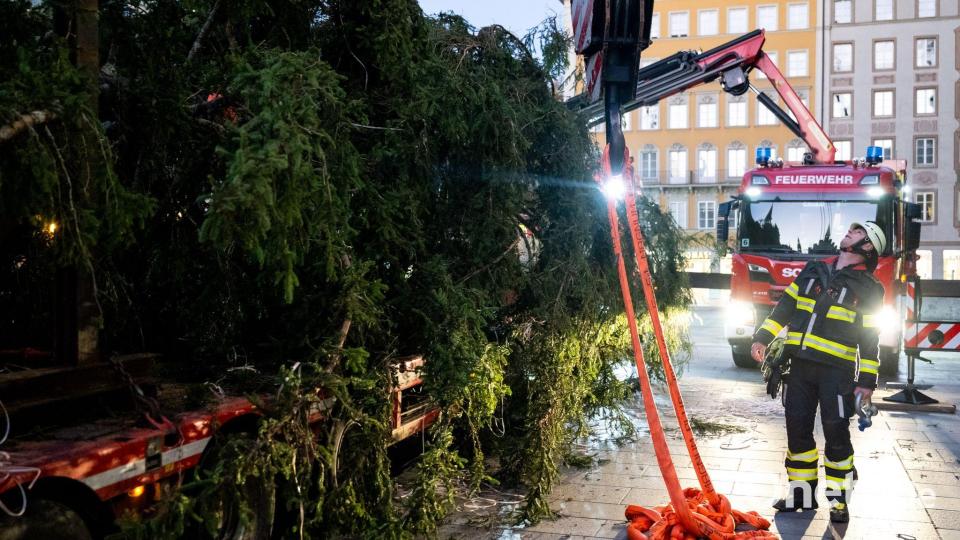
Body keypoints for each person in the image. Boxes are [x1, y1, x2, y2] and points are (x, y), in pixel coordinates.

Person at [750, 221, 887, 524]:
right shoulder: (814, 270)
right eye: (851, 230)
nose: (849, 232)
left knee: (837, 434)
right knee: (797, 432)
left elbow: (870, 338)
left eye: (858, 232)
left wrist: (866, 382)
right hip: (799, 368)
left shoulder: (870, 288)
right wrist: (762, 337)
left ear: (868, 248)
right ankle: (800, 496)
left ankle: (839, 501)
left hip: (837, 375)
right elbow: (785, 307)